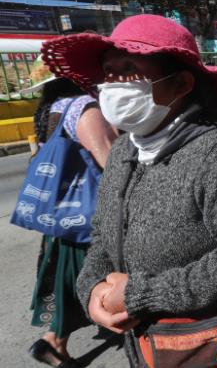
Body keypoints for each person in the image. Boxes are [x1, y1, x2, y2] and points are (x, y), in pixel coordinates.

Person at [41, 15, 217, 368]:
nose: (113, 84)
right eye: (108, 70)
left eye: (129, 69)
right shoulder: (123, 150)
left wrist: (140, 294)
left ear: (180, 84)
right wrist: (94, 293)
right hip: (149, 345)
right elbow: (102, 233)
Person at [22, 67, 116, 368]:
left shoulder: (52, 107)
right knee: (84, 276)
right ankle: (54, 342)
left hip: (63, 212)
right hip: (86, 214)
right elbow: (111, 162)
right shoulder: (83, 107)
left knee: (68, 275)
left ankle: (55, 342)